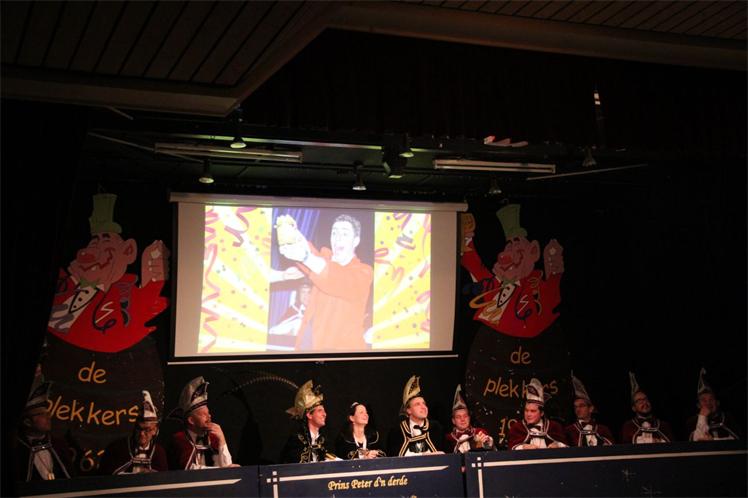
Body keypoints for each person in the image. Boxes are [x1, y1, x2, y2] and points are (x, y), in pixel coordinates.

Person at [47, 193, 169, 353]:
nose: (89, 251)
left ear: (128, 250)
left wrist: (154, 282)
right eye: (93, 242)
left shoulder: (122, 297)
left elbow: (127, 329)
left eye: (105, 241)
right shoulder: (64, 284)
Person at [460, 204, 564, 338]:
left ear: (533, 251)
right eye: (508, 245)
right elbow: (474, 265)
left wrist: (554, 265)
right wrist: (466, 236)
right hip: (488, 337)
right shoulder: (495, 284)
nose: (506, 254)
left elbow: (551, 297)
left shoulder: (533, 284)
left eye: (516, 245)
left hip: (525, 343)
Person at [276, 213, 373, 350]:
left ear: (356, 241)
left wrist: (306, 257)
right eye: (334, 232)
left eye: (345, 234)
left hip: (341, 356)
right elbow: (309, 253)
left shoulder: (363, 272)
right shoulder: (324, 259)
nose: (338, 237)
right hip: (307, 348)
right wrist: (293, 233)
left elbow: (335, 278)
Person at [169, 377, 237, 470]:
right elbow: (189, 469)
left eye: (208, 413)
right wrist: (221, 470)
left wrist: (222, 440)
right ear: (191, 420)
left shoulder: (213, 437)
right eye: (204, 414)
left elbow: (228, 468)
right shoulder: (180, 439)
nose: (209, 416)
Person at [15, 376, 72, 482]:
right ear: (27, 422)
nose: (49, 416)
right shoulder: (16, 450)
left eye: (48, 413)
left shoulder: (59, 445)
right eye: (42, 414)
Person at [99, 390, 168, 474]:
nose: (141, 433)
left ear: (155, 430)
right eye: (139, 428)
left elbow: (163, 478)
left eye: (147, 430)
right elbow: (105, 476)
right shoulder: (116, 448)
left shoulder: (159, 453)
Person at [281, 380, 337, 463]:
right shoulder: (296, 441)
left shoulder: (325, 441)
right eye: (320, 411)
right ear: (309, 415)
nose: (324, 414)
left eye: (324, 411)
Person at [387, 375, 444, 456]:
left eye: (424, 404)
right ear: (409, 410)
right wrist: (422, 455)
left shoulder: (436, 428)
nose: (423, 407)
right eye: (417, 404)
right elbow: (394, 457)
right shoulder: (397, 431)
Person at [508, 378, 568, 450]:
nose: (528, 414)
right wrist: (523, 447)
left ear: (541, 413)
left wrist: (558, 445)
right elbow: (511, 448)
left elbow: (567, 447)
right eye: (526, 410)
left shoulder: (554, 427)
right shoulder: (517, 428)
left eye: (533, 411)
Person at [685, 368, 740, 441]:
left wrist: (713, 440)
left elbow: (737, 440)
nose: (708, 403)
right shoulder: (692, 422)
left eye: (711, 399)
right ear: (698, 405)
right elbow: (698, 440)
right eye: (703, 400)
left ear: (717, 403)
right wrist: (702, 416)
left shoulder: (727, 418)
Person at [620, 372, 674, 444]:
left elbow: (672, 445)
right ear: (634, 408)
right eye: (639, 401)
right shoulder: (628, 426)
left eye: (646, 399)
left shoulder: (663, 425)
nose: (644, 402)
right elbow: (626, 446)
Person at [564, 373, 615, 447]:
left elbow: (612, 447)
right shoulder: (569, 430)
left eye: (581, 406)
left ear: (591, 409)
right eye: (575, 407)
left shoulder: (602, 429)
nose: (578, 409)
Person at [444, 385, 494, 453]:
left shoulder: (479, 432)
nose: (462, 419)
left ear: (469, 418)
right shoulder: (448, 438)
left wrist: (486, 441)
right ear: (453, 421)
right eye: (458, 417)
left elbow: (488, 448)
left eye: (465, 416)